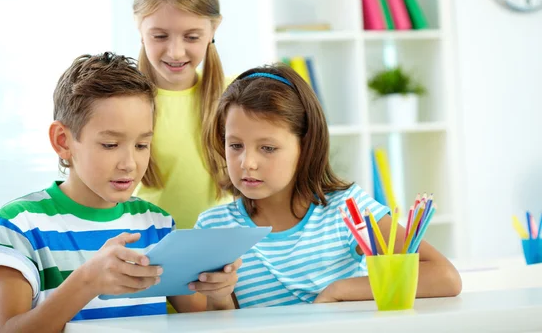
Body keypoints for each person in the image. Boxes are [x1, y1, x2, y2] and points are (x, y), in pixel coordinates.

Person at [0, 52, 239, 333]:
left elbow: (206, 323)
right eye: (110, 145)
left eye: (141, 145)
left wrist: (219, 295)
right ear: (63, 142)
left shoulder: (156, 225)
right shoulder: (19, 224)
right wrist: (87, 281)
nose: (130, 164)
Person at [196, 65, 462, 308]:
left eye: (267, 148)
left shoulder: (348, 210)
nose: (247, 163)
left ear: (306, 146)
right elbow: (216, 324)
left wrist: (341, 290)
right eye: (235, 145)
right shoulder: (213, 230)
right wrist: (218, 296)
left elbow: (444, 276)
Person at [132, 0, 231, 230]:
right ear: (139, 26)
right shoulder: (122, 104)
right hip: (144, 253)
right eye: (160, 36)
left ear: (214, 28)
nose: (175, 52)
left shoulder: (237, 96)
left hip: (225, 256)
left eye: (191, 37)